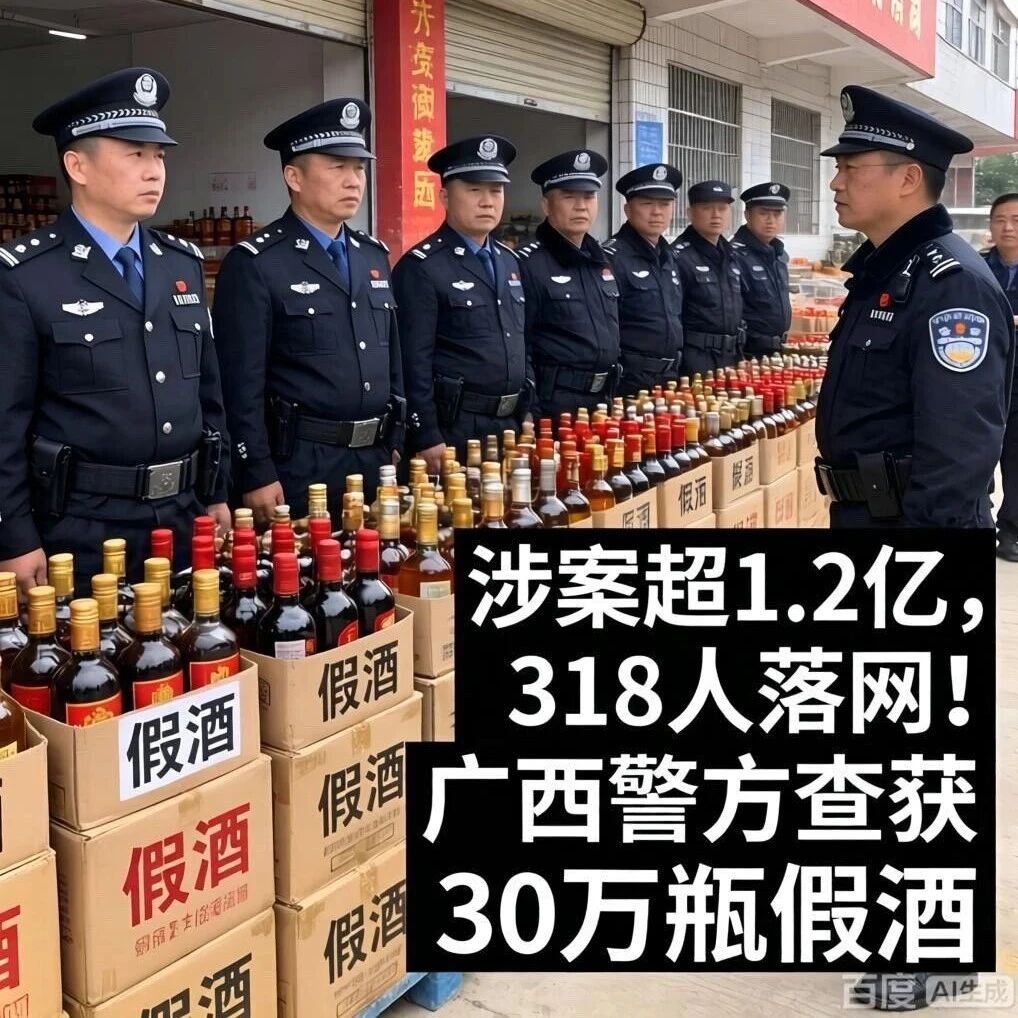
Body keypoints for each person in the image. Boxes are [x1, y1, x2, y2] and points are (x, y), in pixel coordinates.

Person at [817, 89, 1013, 1009]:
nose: (838, 183)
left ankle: (936, 952)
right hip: (869, 528)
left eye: (853, 169)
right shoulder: (885, 270)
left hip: (917, 540)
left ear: (907, 179)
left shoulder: (950, 282)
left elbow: (962, 445)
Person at [0, 67, 230, 597]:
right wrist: (14, 535)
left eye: (160, 156)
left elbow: (208, 393)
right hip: (81, 531)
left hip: (182, 517)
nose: (154, 171)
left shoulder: (180, 262)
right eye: (135, 154)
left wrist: (217, 491)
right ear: (77, 165)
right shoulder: (26, 275)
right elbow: (5, 423)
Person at [213, 98, 404, 523]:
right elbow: (239, 384)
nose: (353, 180)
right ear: (294, 176)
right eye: (337, 167)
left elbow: (392, 357)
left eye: (359, 168)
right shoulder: (257, 263)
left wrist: (398, 438)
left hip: (374, 459)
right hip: (301, 464)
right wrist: (255, 469)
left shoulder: (372, 255)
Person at [392, 136, 533, 473]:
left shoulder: (509, 261)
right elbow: (413, 361)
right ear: (444, 196)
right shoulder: (422, 266)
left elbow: (520, 341)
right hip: (455, 428)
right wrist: (426, 433)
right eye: (474, 190)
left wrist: (530, 410)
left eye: (496, 191)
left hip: (509, 426)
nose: (487, 201)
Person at [518, 150, 621, 422]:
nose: (581, 206)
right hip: (554, 405)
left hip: (604, 402)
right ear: (546, 205)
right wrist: (529, 409)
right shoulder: (527, 263)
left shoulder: (602, 261)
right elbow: (519, 344)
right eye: (569, 197)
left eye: (588, 197)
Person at [602, 163, 685, 394]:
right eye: (647, 204)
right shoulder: (611, 258)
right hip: (630, 380)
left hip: (670, 376)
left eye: (665, 204)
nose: (657, 212)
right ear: (628, 210)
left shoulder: (669, 257)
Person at [671, 180, 745, 377]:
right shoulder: (678, 257)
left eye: (722, 208)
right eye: (707, 208)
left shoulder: (732, 255)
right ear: (690, 213)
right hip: (696, 358)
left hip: (732, 356)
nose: (716, 215)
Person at [981, 193, 1018, 561]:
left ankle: (1012, 532)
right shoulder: (974, 268)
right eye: (1000, 220)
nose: (1007, 228)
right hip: (981, 380)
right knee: (976, 453)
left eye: (1016, 220)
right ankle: (979, 520)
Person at [731, 182, 792, 358]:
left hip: (777, 351)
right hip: (747, 353)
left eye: (777, 214)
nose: (771, 220)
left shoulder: (779, 255)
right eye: (764, 213)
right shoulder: (733, 255)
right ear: (747, 215)